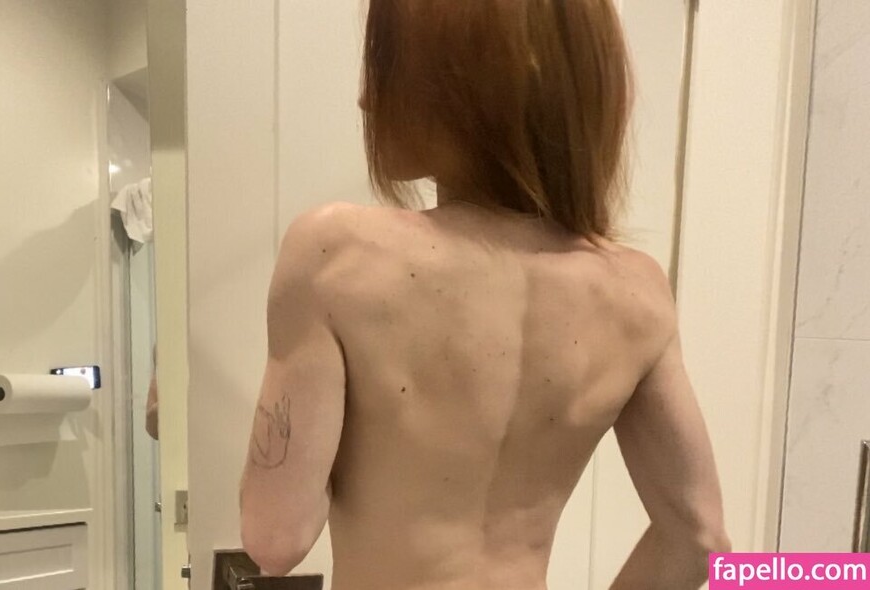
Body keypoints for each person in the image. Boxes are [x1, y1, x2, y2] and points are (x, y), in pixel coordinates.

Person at [239, 1, 729, 589]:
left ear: (463, 77)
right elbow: (699, 538)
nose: (367, 98)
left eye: (386, 63)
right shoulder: (636, 291)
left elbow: (275, 538)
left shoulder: (334, 254)